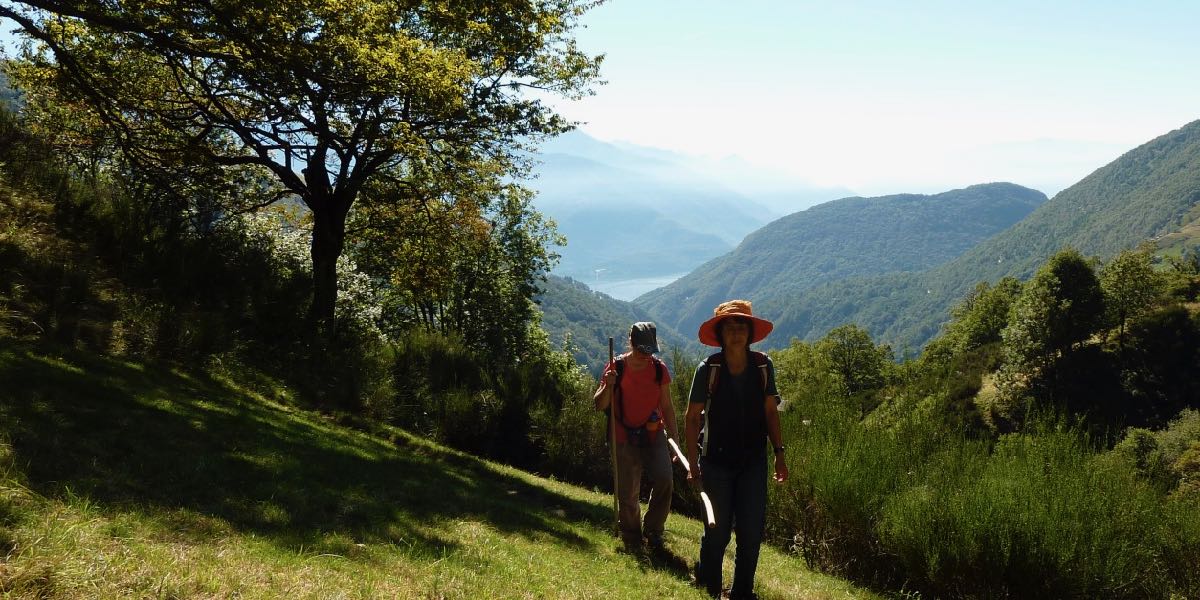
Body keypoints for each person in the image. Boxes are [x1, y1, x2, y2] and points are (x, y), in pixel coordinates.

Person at [684, 300, 788, 600]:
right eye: (730, 326)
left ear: (750, 332)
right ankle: (709, 588)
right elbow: (692, 417)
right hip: (715, 461)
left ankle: (742, 593)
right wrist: (693, 464)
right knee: (717, 533)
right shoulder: (710, 369)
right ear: (721, 333)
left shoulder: (762, 366)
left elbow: (771, 412)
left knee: (751, 533)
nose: (737, 331)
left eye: (742, 325)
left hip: (753, 461)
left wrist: (779, 453)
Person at [594, 321, 679, 551]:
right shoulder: (616, 367)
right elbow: (599, 404)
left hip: (653, 433)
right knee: (628, 491)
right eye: (641, 350)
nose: (645, 355)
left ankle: (653, 530)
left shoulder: (659, 370)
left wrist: (674, 438)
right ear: (631, 343)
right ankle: (631, 535)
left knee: (665, 479)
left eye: (649, 350)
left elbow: (667, 407)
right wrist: (607, 386)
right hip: (622, 435)